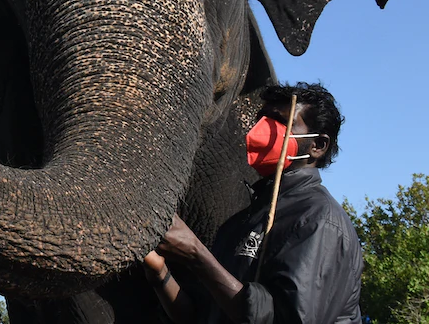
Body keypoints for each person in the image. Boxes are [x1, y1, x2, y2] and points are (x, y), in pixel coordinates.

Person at [143, 83, 363, 324]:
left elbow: (290, 318)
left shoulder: (319, 219)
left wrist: (196, 253)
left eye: (280, 122)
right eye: (262, 119)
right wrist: (159, 273)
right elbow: (199, 316)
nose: (262, 130)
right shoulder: (241, 221)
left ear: (317, 146)